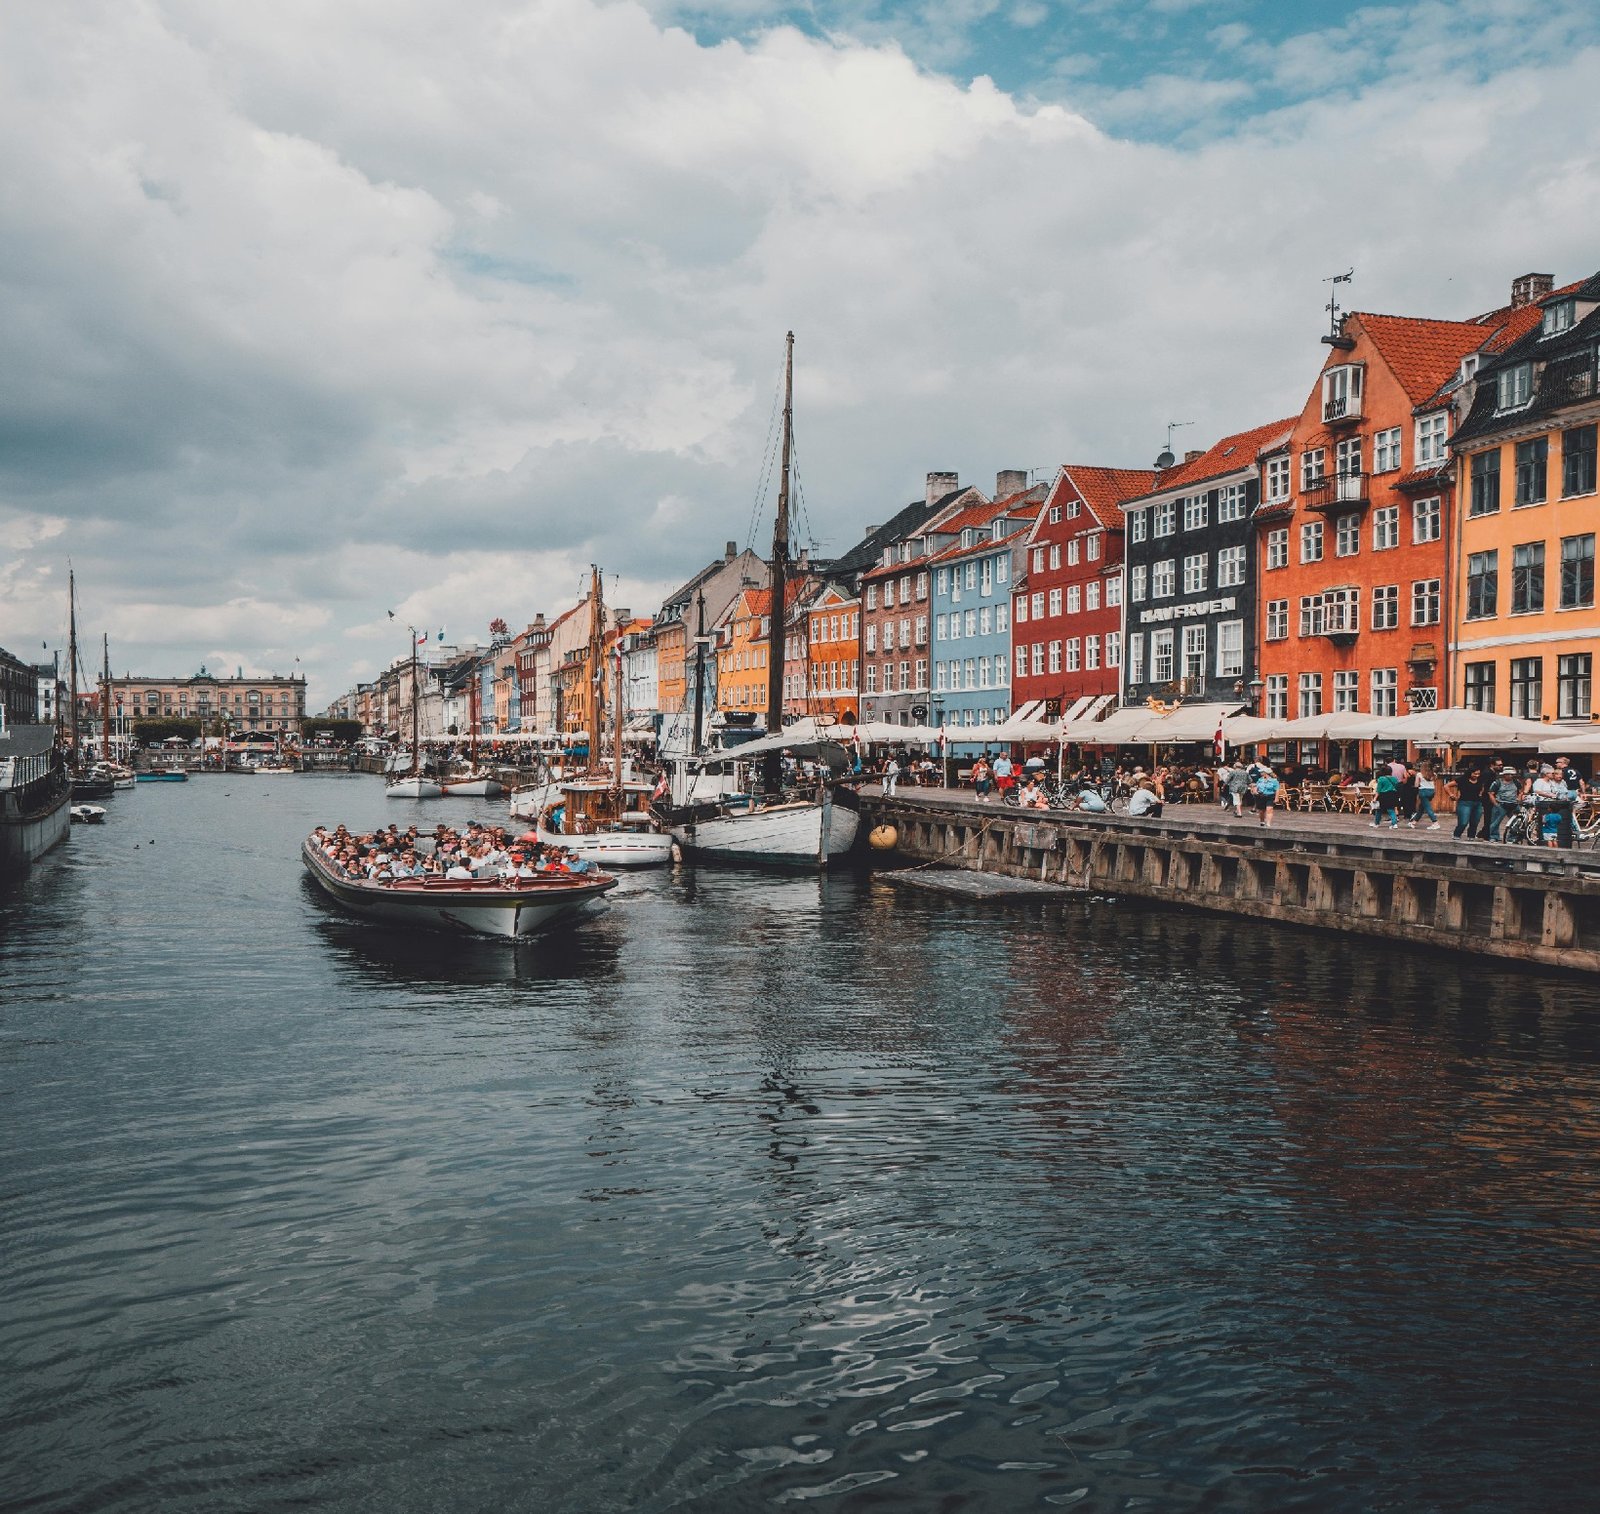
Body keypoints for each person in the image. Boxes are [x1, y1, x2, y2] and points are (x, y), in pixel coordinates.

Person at [1452, 762, 1488, 838]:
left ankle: (1471, 836)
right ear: (1470, 773)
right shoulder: (1463, 779)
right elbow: (1447, 786)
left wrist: (1481, 793)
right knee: (1463, 822)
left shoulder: (1480, 780)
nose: (1476, 776)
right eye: (1475, 774)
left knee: (1475, 822)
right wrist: (1451, 795)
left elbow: (1482, 787)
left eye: (1478, 774)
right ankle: (1457, 835)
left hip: (1477, 803)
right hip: (1465, 803)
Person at [1409, 760, 1441, 829]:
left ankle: (1435, 822)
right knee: (1422, 807)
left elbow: (1416, 785)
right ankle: (1414, 822)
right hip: (1432, 791)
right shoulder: (1434, 774)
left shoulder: (1419, 774)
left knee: (1428, 808)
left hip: (1423, 791)